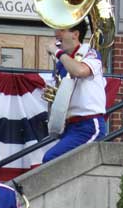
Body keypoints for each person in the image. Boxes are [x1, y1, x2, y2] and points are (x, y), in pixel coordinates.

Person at [41, 21, 107, 163]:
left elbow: (80, 70)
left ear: (75, 34)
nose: (57, 33)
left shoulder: (90, 53)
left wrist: (57, 52)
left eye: (62, 30)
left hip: (89, 124)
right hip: (70, 127)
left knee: (51, 159)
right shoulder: (62, 64)